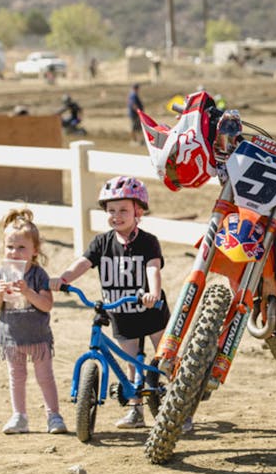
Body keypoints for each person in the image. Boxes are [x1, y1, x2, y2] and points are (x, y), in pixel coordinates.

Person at [48, 176, 178, 431]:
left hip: (151, 311)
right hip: (121, 312)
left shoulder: (148, 241)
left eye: (123, 210)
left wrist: (153, 293)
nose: (116, 216)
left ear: (138, 212)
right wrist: (63, 279)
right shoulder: (102, 243)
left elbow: (153, 268)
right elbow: (83, 263)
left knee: (166, 358)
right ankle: (135, 410)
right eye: (111, 211)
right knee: (130, 362)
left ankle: (179, 408)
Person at [0, 209, 66, 435]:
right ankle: (19, 416)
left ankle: (53, 415)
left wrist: (28, 292)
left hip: (37, 337)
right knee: (16, 377)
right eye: (10, 247)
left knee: (45, 377)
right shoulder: (1, 273)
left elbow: (46, 305)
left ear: (35, 250)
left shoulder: (38, 275)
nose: (15, 252)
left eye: (21, 247)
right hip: (12, 338)